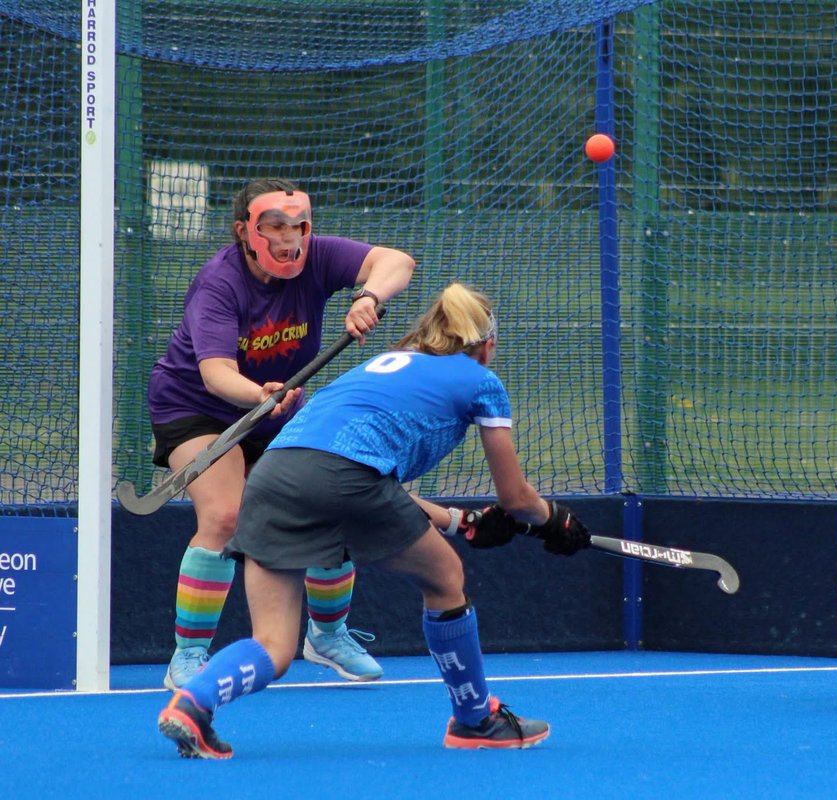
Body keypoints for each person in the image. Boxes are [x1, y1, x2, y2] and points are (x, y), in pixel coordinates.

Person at [156, 281, 591, 759]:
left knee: (273, 646)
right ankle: (475, 720)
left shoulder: (381, 368)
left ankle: (193, 704)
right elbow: (516, 498)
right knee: (445, 577)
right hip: (344, 479)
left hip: (273, 478)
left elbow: (361, 472)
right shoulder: (480, 380)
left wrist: (459, 521)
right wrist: (555, 521)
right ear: (487, 345)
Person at [147, 178, 415, 690]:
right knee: (225, 516)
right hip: (196, 406)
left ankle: (327, 635)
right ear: (244, 232)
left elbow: (397, 261)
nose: (290, 237)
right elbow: (216, 374)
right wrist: (259, 395)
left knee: (330, 503)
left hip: (279, 408)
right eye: (275, 226)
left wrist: (368, 296)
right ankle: (189, 654)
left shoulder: (317, 258)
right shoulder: (219, 283)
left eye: (299, 225)